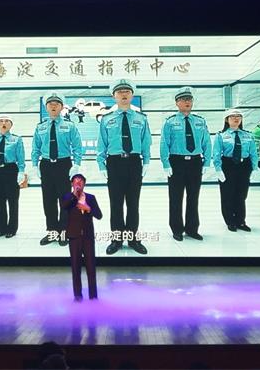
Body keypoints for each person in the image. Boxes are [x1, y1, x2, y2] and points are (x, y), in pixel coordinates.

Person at [97, 79, 151, 255]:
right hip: (114, 163)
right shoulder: (106, 119)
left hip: (134, 163)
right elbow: (102, 143)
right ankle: (117, 239)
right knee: (116, 204)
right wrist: (101, 165)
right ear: (114, 96)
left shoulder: (141, 118)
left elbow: (146, 142)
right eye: (120, 92)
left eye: (127, 91)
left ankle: (133, 238)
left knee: (133, 204)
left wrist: (146, 161)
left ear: (132, 95)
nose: (124, 94)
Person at [159, 86, 212, 241]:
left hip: (195, 162)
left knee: (193, 197)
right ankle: (177, 229)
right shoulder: (170, 122)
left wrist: (206, 162)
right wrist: (166, 164)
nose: (187, 102)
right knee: (176, 197)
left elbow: (207, 142)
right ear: (177, 103)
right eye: (183, 99)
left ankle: (192, 229)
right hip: (176, 162)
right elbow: (164, 143)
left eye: (189, 99)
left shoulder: (200, 121)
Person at [32, 91, 83, 246]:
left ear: (62, 107)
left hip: (63, 165)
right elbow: (36, 148)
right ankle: (52, 232)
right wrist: (34, 164)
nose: (53, 106)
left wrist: (76, 164)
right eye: (50, 104)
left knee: (65, 200)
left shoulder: (69, 126)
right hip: (46, 165)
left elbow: (77, 146)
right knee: (48, 200)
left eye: (57, 104)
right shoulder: (40, 127)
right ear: (46, 107)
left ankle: (64, 232)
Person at [212, 109, 258, 232]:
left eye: (239, 116)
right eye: (232, 116)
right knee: (228, 194)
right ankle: (230, 221)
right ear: (227, 120)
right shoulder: (221, 135)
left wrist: (254, 168)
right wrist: (218, 169)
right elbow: (216, 154)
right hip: (228, 165)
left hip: (244, 166)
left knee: (241, 195)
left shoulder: (248, 135)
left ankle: (241, 221)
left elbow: (253, 152)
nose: (236, 118)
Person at [60, 174, 102, 301]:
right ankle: (77, 296)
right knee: (75, 268)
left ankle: (93, 296)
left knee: (91, 268)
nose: (78, 183)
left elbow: (99, 215)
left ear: (84, 184)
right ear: (72, 184)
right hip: (74, 237)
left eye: (81, 181)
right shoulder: (67, 197)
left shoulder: (90, 197)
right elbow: (64, 206)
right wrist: (74, 195)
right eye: (75, 181)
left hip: (88, 237)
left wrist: (88, 208)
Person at [0, 115, 25, 238]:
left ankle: (12, 228)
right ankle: (0, 228)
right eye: (1, 121)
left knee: (13, 201)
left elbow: (20, 157)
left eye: (7, 121)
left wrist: (21, 172)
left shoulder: (16, 139)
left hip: (11, 170)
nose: (4, 123)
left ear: (11, 124)